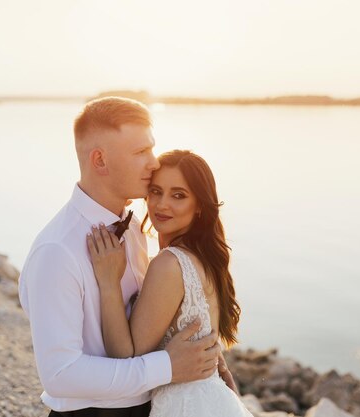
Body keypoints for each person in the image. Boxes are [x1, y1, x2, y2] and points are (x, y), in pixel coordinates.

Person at [19, 97, 231, 417]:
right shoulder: (56, 251)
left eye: (151, 148)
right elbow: (60, 375)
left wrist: (203, 349)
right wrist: (169, 366)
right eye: (140, 152)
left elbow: (153, 315)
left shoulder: (135, 229)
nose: (153, 162)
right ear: (100, 160)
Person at [87, 150, 253, 417]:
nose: (162, 205)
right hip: (213, 400)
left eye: (178, 195)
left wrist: (108, 282)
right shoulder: (204, 256)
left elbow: (127, 357)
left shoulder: (169, 263)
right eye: (155, 191)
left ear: (200, 204)